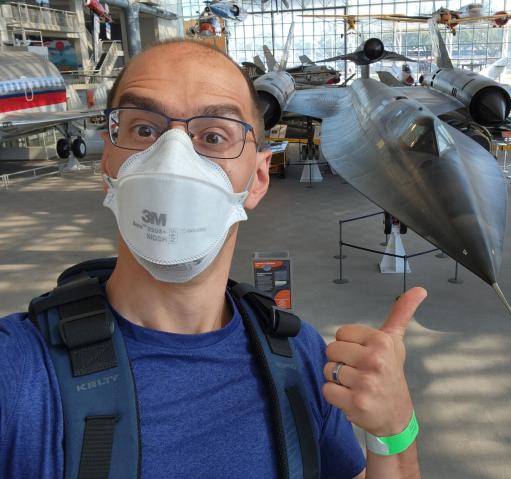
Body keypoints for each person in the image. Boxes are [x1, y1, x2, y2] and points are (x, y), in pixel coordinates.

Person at [0, 39, 426, 478]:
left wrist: (394, 429)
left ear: (259, 178)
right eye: (144, 129)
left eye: (213, 136)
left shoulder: (298, 355)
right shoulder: (19, 371)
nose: (172, 157)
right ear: (108, 162)